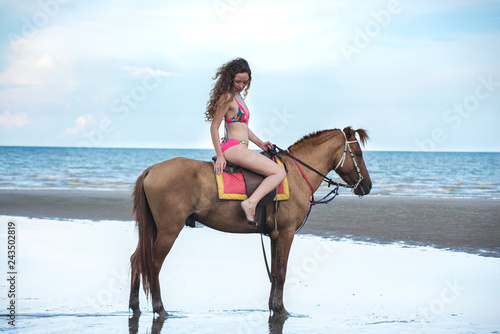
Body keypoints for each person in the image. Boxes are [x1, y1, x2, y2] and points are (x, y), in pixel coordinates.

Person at [205, 58, 286, 224]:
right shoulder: (227, 97)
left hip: (240, 147)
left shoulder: (238, 97)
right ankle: (251, 203)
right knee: (279, 172)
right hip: (233, 148)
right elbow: (214, 127)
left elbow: (243, 128)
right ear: (230, 79)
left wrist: (261, 144)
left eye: (245, 82)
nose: (241, 85)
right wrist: (219, 156)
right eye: (237, 82)